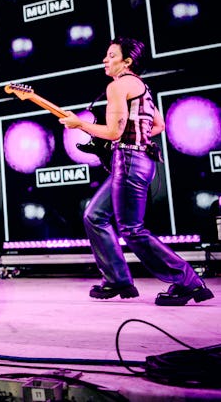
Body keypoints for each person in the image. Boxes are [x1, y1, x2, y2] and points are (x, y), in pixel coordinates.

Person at [59, 36, 214, 306]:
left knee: (132, 229)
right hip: (139, 160)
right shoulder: (142, 86)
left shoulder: (118, 86)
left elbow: (113, 131)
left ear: (127, 61)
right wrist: (136, 140)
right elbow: (159, 125)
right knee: (94, 215)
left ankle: (187, 281)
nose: (105, 60)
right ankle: (117, 279)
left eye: (111, 56)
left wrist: (79, 124)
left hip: (129, 161)